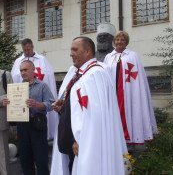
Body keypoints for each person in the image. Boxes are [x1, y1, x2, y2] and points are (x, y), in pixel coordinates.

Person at [50, 37, 127, 175]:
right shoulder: (81, 73)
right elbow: (79, 104)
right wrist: (63, 106)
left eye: (75, 50)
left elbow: (94, 115)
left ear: (88, 51)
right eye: (71, 50)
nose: (71, 54)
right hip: (73, 141)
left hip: (81, 143)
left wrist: (78, 140)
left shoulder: (95, 74)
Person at [103, 31, 158, 146]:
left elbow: (138, 78)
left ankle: (132, 138)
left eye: (122, 40)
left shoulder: (133, 56)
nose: (119, 42)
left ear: (126, 42)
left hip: (128, 91)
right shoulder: (108, 57)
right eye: (117, 40)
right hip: (113, 92)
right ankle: (115, 140)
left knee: (130, 112)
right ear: (114, 42)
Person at [3, 60, 55, 175]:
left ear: (33, 70)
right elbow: (14, 107)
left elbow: (52, 104)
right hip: (22, 126)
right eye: (21, 70)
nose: (23, 72)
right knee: (25, 159)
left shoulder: (42, 86)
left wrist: (38, 104)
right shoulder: (16, 88)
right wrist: (8, 104)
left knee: (41, 160)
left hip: (37, 124)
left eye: (25, 70)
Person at [11, 38, 58, 140]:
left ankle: (48, 134)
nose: (27, 52)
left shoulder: (42, 60)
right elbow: (14, 79)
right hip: (22, 103)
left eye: (28, 49)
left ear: (32, 47)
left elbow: (49, 77)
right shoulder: (18, 61)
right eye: (24, 50)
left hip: (39, 99)